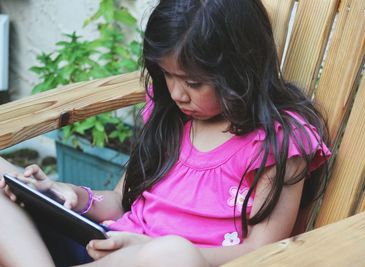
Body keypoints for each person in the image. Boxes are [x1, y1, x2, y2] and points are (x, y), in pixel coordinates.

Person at [0, 0, 331, 266]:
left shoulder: (278, 142)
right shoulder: (171, 118)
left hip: (173, 261)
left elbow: (262, 251)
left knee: (174, 253)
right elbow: (119, 202)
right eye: (167, 75)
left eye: (193, 82)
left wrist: (150, 248)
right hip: (108, 247)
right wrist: (67, 194)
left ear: (240, 70)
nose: (176, 93)